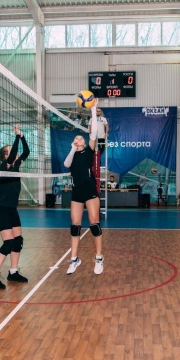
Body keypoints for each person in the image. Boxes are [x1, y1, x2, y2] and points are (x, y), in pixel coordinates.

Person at [0, 124, 30, 289]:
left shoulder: (16, 165)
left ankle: (13, 272)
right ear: (5, 155)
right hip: (1, 209)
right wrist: (16, 136)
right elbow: (13, 155)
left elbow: (26, 152)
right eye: (10, 151)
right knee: (9, 242)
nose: (14, 153)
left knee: (18, 241)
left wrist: (22, 136)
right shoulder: (4, 166)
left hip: (11, 209)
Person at [63, 99, 104, 275]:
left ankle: (99, 258)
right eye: (76, 138)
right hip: (77, 193)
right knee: (75, 226)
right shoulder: (72, 155)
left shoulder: (88, 151)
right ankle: (74, 259)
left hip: (90, 191)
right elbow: (66, 164)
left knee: (94, 224)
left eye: (80, 138)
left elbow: (93, 132)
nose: (79, 139)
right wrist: (72, 148)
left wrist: (93, 110)